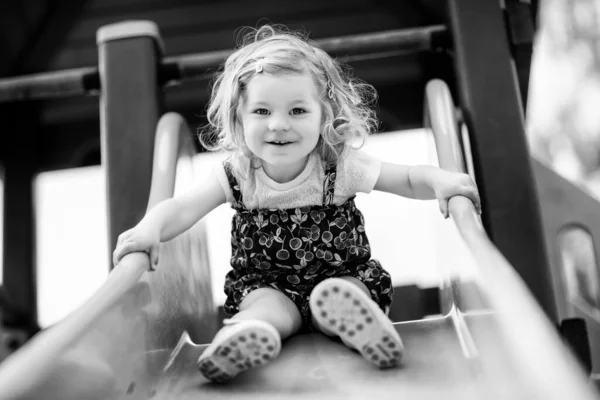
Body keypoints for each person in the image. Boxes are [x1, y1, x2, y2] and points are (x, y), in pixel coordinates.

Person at [112, 24, 481, 383]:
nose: (278, 124)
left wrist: (439, 180)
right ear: (238, 119)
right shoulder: (239, 174)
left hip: (338, 276)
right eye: (261, 112)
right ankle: (244, 335)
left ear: (325, 116)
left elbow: (406, 178)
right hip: (267, 285)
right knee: (266, 309)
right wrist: (150, 228)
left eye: (298, 111)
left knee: (344, 292)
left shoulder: (339, 165)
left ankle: (355, 325)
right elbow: (183, 208)